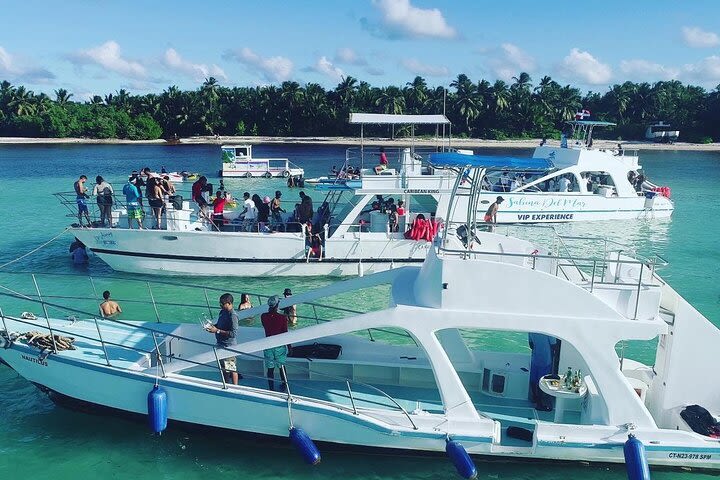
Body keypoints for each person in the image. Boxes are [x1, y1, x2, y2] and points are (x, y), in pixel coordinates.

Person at [205, 293, 240, 385]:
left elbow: (233, 333)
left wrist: (217, 330)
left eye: (222, 304)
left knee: (231, 368)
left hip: (228, 346)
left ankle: (235, 387)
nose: (220, 306)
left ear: (229, 303)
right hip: (220, 344)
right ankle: (227, 385)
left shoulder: (233, 316)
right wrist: (212, 327)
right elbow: (219, 325)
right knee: (224, 368)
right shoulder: (222, 312)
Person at [261, 295, 289, 391]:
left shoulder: (263, 316)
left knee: (270, 369)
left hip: (268, 345)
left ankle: (271, 388)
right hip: (279, 346)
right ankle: (284, 385)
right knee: (281, 367)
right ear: (277, 305)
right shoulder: (282, 318)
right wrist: (290, 346)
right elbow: (285, 333)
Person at [528, 332, 558, 411]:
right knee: (542, 381)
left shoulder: (531, 330)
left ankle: (534, 397)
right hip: (546, 358)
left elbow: (531, 345)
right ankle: (539, 404)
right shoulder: (549, 332)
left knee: (534, 379)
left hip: (535, 357)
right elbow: (554, 345)